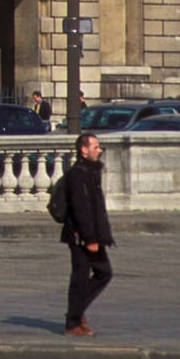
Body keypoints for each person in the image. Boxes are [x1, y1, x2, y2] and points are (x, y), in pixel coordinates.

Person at [62, 132, 114, 336]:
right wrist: (90, 238)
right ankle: (73, 322)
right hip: (81, 237)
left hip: (92, 234)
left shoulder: (91, 172)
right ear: (84, 149)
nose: (99, 150)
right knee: (81, 277)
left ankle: (76, 312)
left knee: (104, 273)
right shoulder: (78, 173)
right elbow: (81, 208)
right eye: (96, 147)